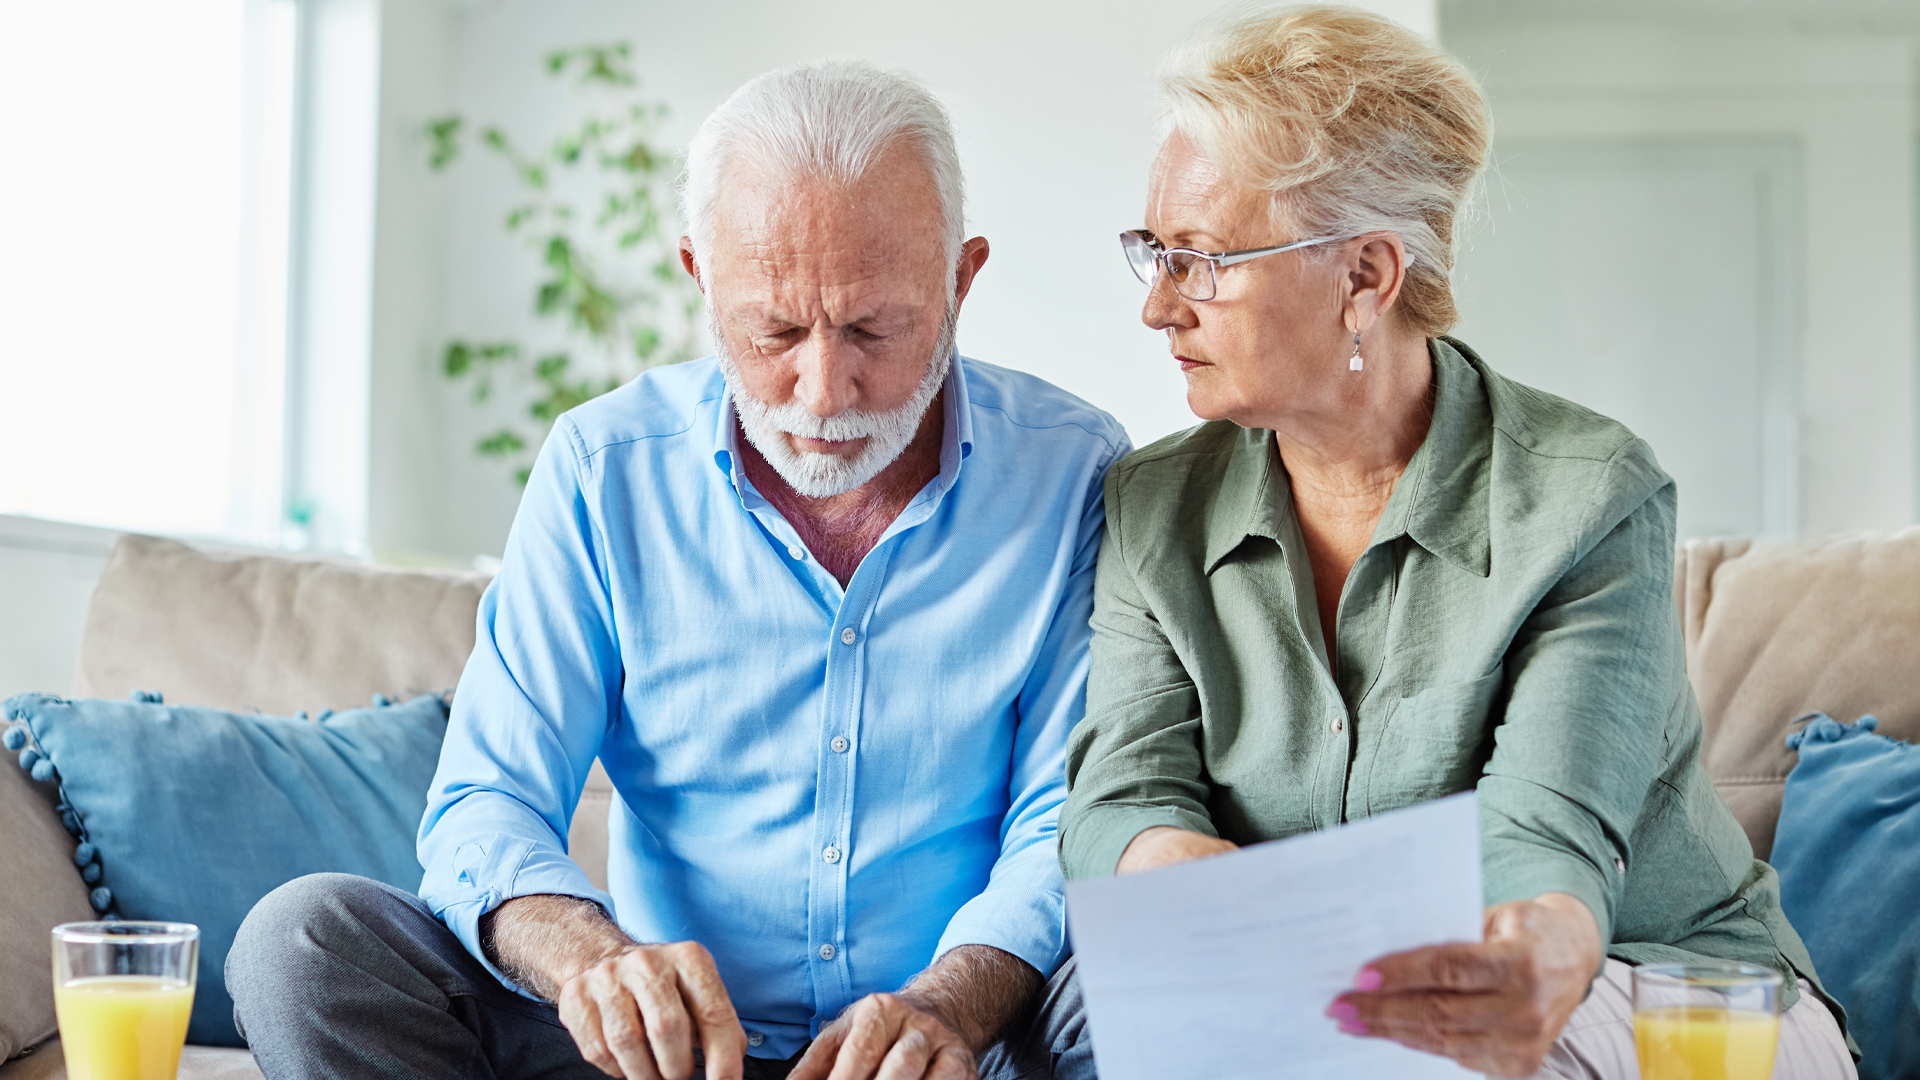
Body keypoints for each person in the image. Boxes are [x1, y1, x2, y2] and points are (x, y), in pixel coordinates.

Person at [227, 61, 1126, 1080]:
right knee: (305, 943)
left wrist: (945, 1009)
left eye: (876, 327)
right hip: (664, 1061)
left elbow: (1068, 814)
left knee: (1136, 976)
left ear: (961, 281)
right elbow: (489, 800)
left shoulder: (1074, 471)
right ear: (701, 278)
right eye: (775, 329)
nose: (825, 389)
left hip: (954, 1049)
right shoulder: (600, 472)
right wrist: (595, 965)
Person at [1057, 7, 1856, 1079]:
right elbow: (1127, 793)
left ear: (1365, 278)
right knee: (1090, 1019)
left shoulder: (1588, 494)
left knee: (1469, 1049)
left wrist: (1541, 951)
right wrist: (1229, 912)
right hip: (1322, 989)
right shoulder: (1155, 503)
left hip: (1662, 982)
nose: (1160, 307)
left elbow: (1545, 827)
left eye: (1201, 261)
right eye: (1153, 253)